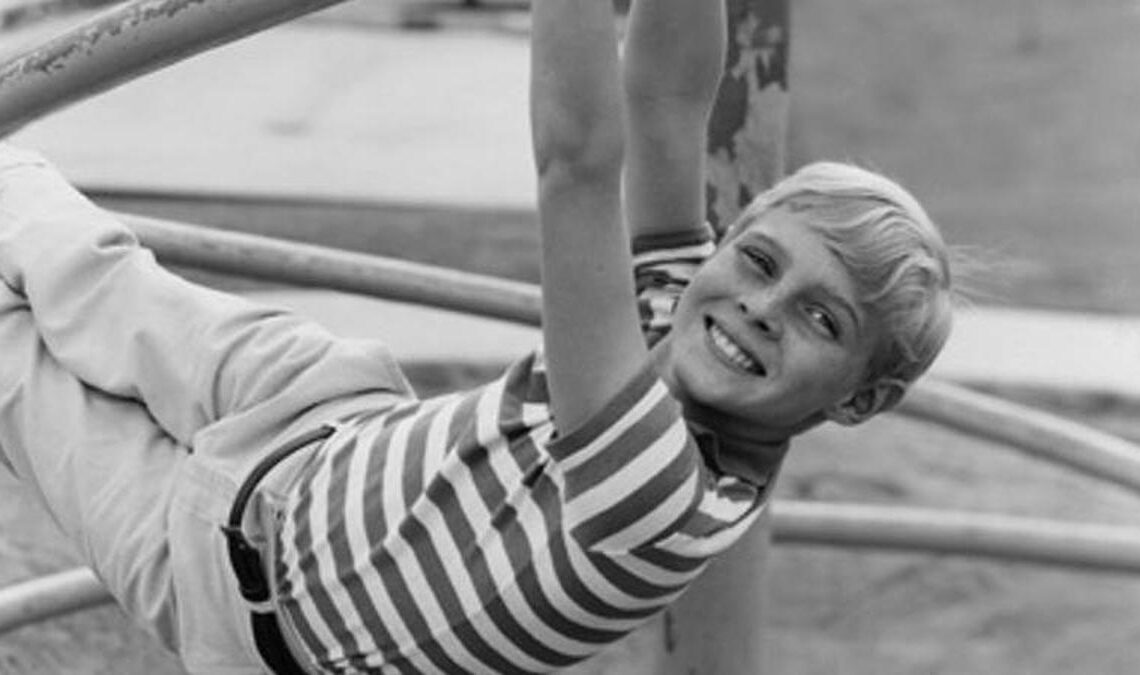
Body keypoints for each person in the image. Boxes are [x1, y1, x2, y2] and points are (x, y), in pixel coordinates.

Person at [0, 0, 953, 672]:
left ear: (860, 397)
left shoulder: (659, 493)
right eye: (759, 258)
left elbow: (577, 164)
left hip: (230, 574)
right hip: (321, 411)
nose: (761, 305)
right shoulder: (685, 303)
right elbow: (666, 100)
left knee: (12, 357)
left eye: (821, 318)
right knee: (74, 253)